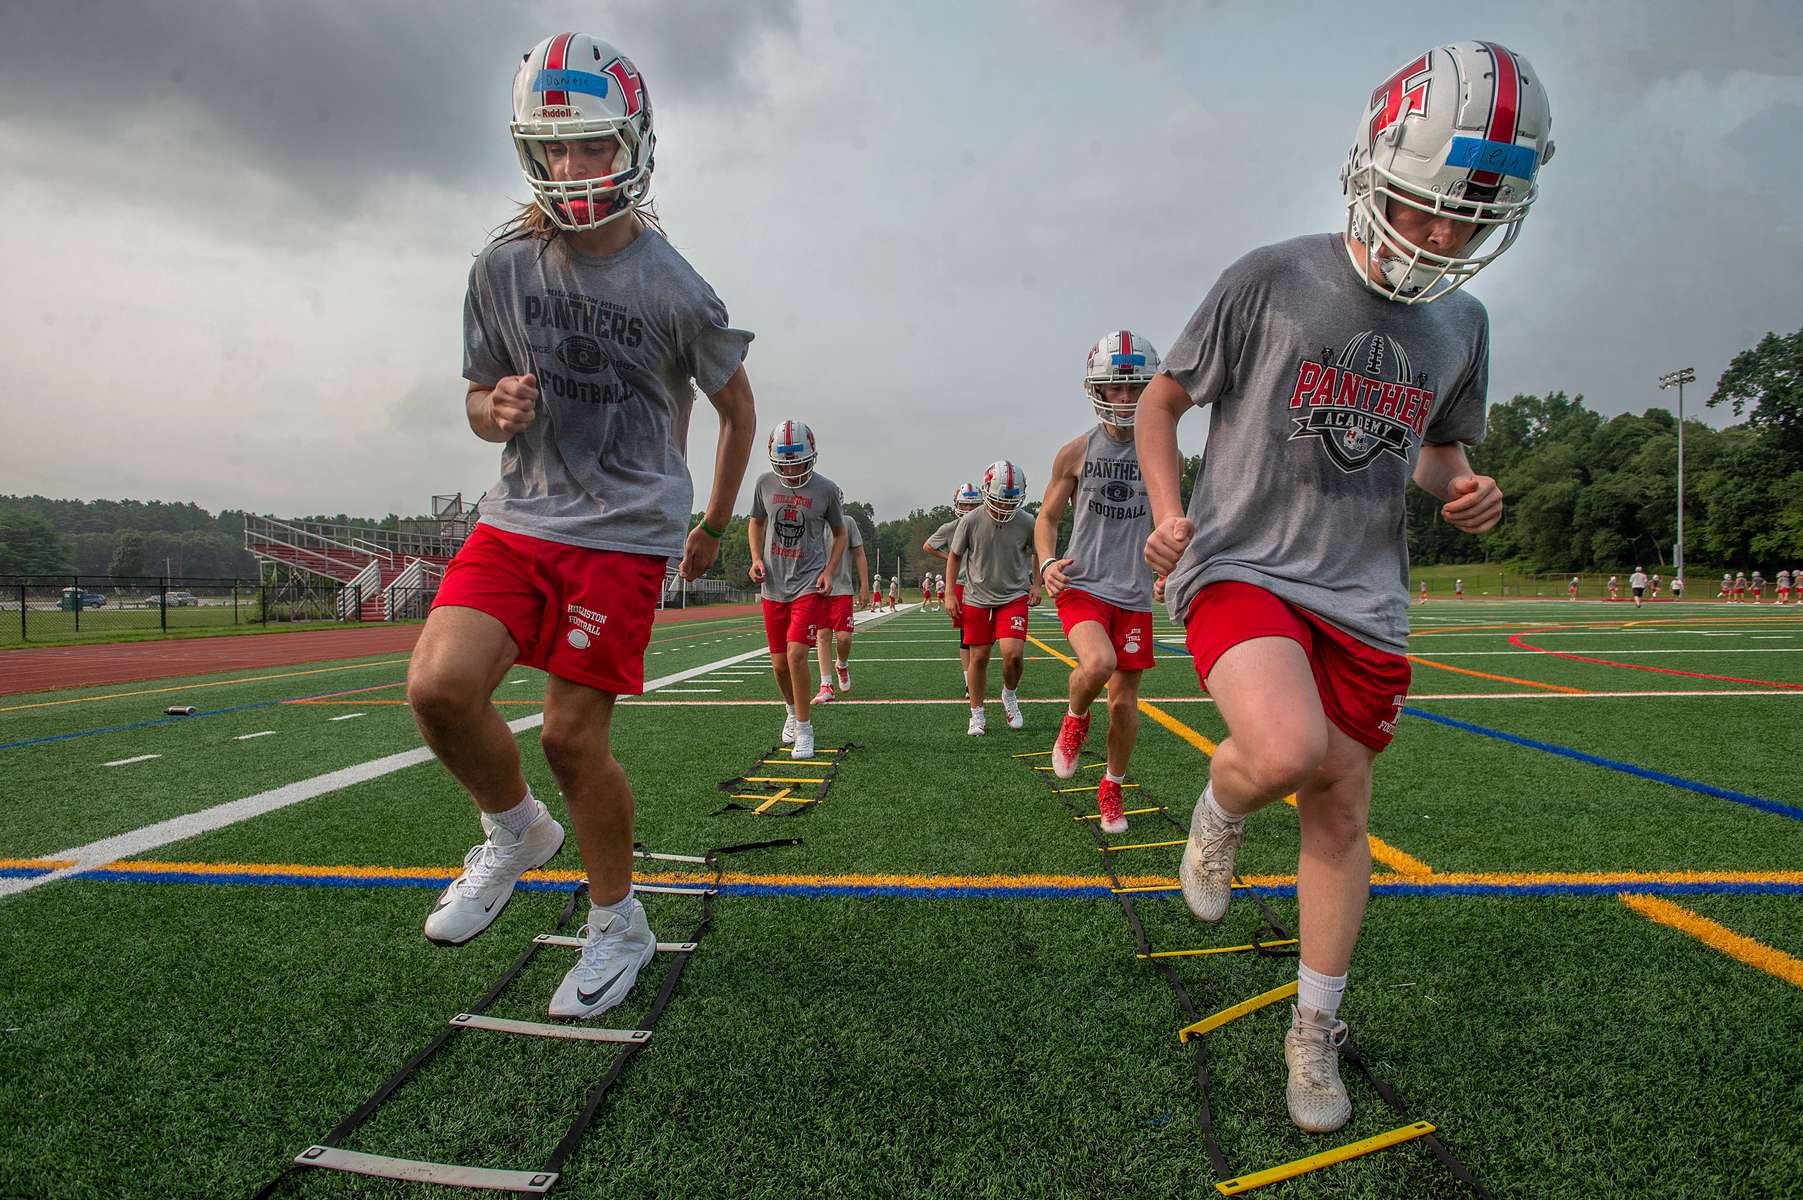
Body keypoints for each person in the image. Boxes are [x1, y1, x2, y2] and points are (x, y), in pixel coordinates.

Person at [1137, 41, 1550, 1134]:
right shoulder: (1273, 275)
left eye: (1467, 219)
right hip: (1244, 564)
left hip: (1363, 589)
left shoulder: (1462, 324)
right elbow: (1159, 401)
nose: (1441, 238)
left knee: (1341, 804)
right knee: (1283, 751)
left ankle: (1312, 1026)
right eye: (1421, 209)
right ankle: (1222, 803)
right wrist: (1170, 509)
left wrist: (1466, 490)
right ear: (1373, 170)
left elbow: (1434, 451)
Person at [409, 32, 757, 1020]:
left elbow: (737, 411)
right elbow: (477, 401)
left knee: (569, 738)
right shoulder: (503, 267)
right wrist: (498, 412)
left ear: (634, 146)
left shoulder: (675, 287)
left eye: (594, 146)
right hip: (522, 514)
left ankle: (618, 925)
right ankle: (514, 831)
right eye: (556, 150)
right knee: (437, 687)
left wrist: (717, 520)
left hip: (624, 528)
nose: (574, 169)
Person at [1036, 330, 1162, 833]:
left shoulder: (1162, 454)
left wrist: (1168, 568)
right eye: (1116, 388)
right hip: (1083, 583)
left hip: (1132, 592)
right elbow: (1046, 518)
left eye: (1135, 388)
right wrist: (1046, 563)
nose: (1126, 399)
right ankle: (1074, 719)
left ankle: (1111, 784)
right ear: (1098, 389)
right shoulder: (1075, 452)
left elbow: (1166, 520)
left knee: (1125, 705)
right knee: (1098, 663)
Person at [748, 420, 847, 760]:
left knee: (796, 655)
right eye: (785, 465)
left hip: (808, 582)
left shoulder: (826, 490)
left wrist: (829, 571)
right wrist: (755, 558)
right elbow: (756, 522)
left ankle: (805, 729)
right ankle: (791, 709)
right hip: (774, 585)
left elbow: (841, 534)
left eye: (798, 463)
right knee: (778, 665)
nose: (791, 472)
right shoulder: (763, 484)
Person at [947, 461, 1040, 735]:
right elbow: (954, 555)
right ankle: (977, 713)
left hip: (1013, 595)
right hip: (977, 597)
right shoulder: (971, 519)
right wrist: (951, 593)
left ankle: (1009, 694)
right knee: (979, 658)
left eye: (1011, 502)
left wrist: (1037, 584)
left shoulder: (1026, 521)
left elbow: (1037, 551)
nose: (1005, 508)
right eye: (1001, 501)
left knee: (1012, 655)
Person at [926, 483, 984, 694]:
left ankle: (976, 679)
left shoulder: (985, 524)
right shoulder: (951, 527)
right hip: (961, 584)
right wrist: (950, 557)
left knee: (984, 637)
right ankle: (970, 682)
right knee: (966, 637)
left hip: (984, 585)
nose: (968, 509)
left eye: (973, 505)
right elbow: (928, 545)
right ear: (957, 505)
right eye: (965, 505)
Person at [813, 494, 868, 704]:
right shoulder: (813, 522)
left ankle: (842, 664)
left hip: (843, 588)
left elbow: (860, 554)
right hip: (818, 588)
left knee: (844, 637)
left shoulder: (848, 522)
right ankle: (826, 685)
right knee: (823, 634)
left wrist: (864, 586)